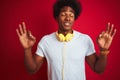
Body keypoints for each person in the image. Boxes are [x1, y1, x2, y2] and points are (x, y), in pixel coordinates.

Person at [16, 0, 116, 80]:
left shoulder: (85, 40)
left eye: (71, 15)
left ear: (74, 19)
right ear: (56, 17)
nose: (68, 18)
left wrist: (103, 51)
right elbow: (31, 70)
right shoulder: (45, 41)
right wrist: (27, 49)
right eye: (63, 14)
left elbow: (98, 69)